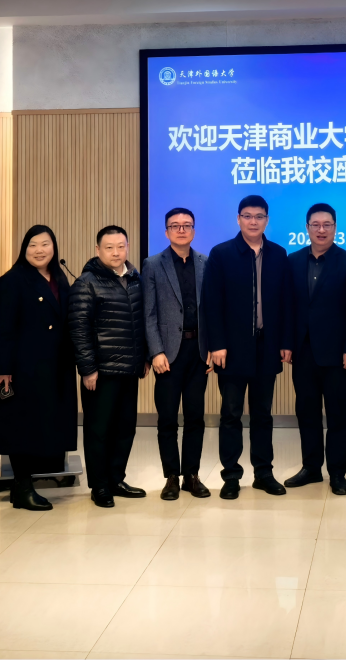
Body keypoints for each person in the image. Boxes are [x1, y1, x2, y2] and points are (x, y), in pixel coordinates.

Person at [202, 195, 293, 500]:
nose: (253, 222)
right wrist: (217, 344)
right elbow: (212, 303)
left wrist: (285, 342)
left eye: (259, 216)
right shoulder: (221, 254)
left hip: (267, 346)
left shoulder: (279, 254)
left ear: (267, 220)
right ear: (238, 219)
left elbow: (285, 302)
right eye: (248, 216)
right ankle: (231, 476)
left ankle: (263, 473)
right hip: (231, 349)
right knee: (231, 414)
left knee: (262, 414)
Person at [0, 225, 77, 511]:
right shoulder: (12, 280)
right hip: (22, 367)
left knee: (43, 425)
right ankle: (23, 487)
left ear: (54, 247)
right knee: (21, 427)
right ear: (24, 249)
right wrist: (2, 367)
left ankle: (22, 487)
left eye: (45, 244)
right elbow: (0, 328)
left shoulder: (59, 277)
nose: (39, 251)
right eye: (32, 245)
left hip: (54, 365)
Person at [284, 203, 346, 496]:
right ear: (306, 227)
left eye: (327, 224)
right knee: (306, 412)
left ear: (335, 227)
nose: (321, 230)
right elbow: (287, 307)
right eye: (315, 225)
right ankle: (311, 468)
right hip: (303, 351)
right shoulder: (292, 261)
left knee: (339, 415)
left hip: (338, 354)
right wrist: (286, 343)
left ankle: (337, 472)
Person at [68, 225, 149, 508]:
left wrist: (144, 357)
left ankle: (116, 479)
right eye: (109, 247)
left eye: (121, 246)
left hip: (130, 368)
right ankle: (100, 486)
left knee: (125, 428)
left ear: (128, 247)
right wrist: (87, 368)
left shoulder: (135, 278)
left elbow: (142, 322)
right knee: (98, 430)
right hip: (101, 372)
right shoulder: (86, 282)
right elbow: (78, 329)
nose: (116, 252)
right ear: (98, 250)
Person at [142, 208, 211, 500]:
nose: (181, 230)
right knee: (168, 418)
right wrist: (155, 351)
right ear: (166, 231)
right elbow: (148, 313)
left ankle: (191, 475)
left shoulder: (206, 262)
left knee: (195, 417)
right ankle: (171, 476)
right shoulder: (153, 264)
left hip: (198, 352)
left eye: (187, 225)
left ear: (194, 230)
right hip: (168, 354)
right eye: (175, 225)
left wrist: (211, 347)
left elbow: (212, 310)